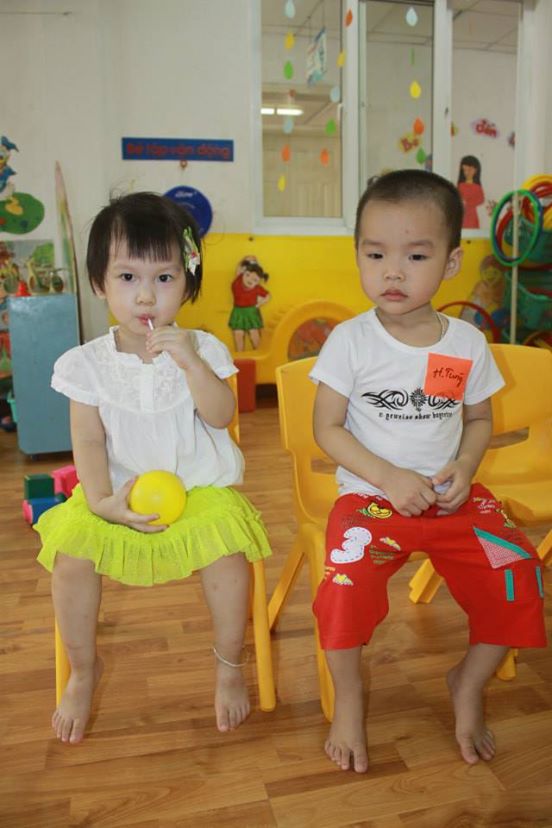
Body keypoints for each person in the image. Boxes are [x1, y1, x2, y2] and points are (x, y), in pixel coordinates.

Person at [310, 169, 546, 773]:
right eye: (375, 254)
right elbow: (327, 429)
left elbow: (478, 420)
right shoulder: (350, 342)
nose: (393, 272)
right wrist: (389, 477)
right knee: (342, 588)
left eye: (415, 256)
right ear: (357, 255)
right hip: (370, 500)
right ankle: (349, 698)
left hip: (452, 501)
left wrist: (466, 466)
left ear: (450, 262)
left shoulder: (464, 344)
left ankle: (468, 682)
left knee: (519, 573)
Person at [34, 192, 271, 744]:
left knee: (228, 557)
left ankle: (228, 665)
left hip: (199, 489)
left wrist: (191, 364)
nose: (146, 295)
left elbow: (221, 415)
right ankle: (83, 670)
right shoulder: (87, 363)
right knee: (71, 561)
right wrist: (101, 502)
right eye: (127, 277)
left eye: (164, 278)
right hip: (116, 491)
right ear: (100, 284)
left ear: (187, 282)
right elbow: (88, 439)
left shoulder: (203, 347)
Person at [229, 258, 271, 351]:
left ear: (258, 281)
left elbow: (267, 296)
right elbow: (239, 269)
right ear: (244, 273)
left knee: (254, 334)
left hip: (251, 312)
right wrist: (246, 259)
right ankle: (240, 354)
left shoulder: (257, 288)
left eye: (255, 280)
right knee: (238, 334)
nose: (250, 280)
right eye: (247, 275)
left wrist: (259, 304)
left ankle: (258, 351)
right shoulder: (237, 283)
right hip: (238, 312)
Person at [457, 155, 485, 229]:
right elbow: (458, 197)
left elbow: (481, 199)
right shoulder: (461, 186)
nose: (466, 173)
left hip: (472, 214)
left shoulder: (477, 187)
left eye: (469, 170)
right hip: (462, 213)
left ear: (475, 170)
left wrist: (469, 203)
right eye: (464, 170)